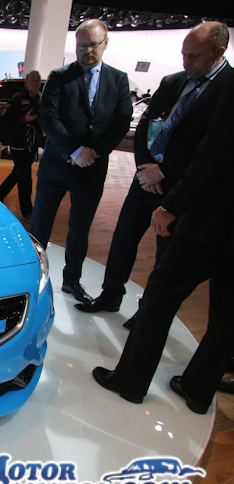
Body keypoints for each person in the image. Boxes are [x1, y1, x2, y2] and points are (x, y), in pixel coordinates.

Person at [92, 72, 234, 414]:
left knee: (160, 297)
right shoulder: (178, 84)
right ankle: (198, 390)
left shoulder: (229, 87)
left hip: (212, 221)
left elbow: (213, 154)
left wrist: (172, 206)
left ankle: (130, 381)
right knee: (227, 314)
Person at [75, 22, 232, 324]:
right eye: (183, 55)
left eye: (194, 56)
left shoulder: (228, 87)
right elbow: (147, 123)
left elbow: (212, 147)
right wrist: (145, 167)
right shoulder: (173, 82)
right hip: (145, 178)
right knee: (123, 238)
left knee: (165, 253)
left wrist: (164, 171)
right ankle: (110, 295)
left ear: (218, 51)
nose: (186, 62)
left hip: (178, 187)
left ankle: (146, 312)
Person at [29, 19, 132, 304]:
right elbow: (49, 118)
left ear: (105, 43)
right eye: (81, 45)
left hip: (92, 167)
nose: (87, 51)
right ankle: (32, 277)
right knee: (40, 225)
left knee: (80, 228)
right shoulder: (59, 76)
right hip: (57, 164)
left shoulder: (118, 79)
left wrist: (94, 152)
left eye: (93, 45)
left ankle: (71, 280)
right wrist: (75, 151)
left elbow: (122, 121)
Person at [0, 70, 42, 222]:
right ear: (26, 81)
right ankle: (27, 212)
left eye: (38, 80)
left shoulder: (40, 99)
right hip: (18, 142)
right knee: (25, 177)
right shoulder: (18, 98)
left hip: (31, 144)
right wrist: (24, 118)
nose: (35, 82)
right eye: (32, 79)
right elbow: (4, 119)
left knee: (18, 173)